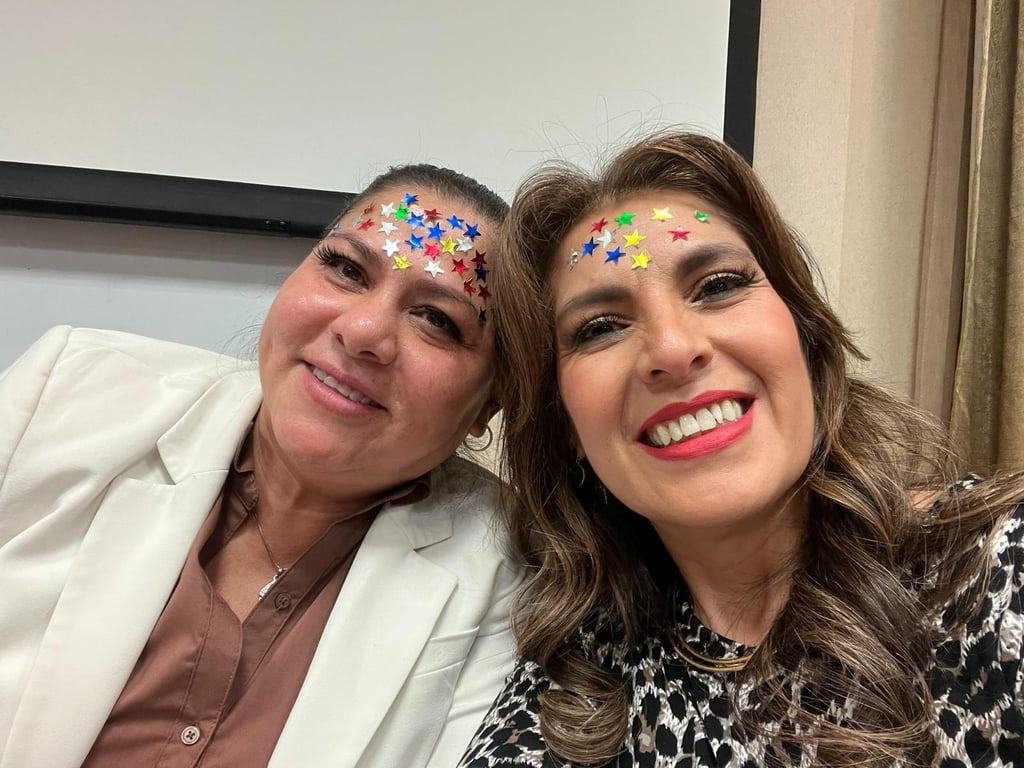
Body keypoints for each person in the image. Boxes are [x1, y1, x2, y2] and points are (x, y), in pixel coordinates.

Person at [458, 132, 1024, 768]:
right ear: (565, 425)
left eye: (718, 285)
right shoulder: (577, 676)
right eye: (601, 327)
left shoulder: (997, 573)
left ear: (804, 337)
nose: (673, 350)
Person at [0, 164, 522, 768]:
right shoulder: (68, 393)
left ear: (490, 404)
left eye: (437, 319)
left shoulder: (512, 580)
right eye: (347, 269)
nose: (362, 332)